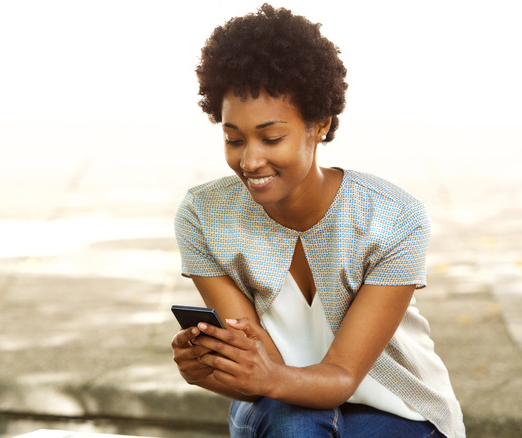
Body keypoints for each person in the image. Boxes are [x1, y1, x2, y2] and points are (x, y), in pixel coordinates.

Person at [171, 4, 465, 437]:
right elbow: (264, 370)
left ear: (320, 125)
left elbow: (343, 377)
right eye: (233, 139)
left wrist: (260, 374)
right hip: (277, 405)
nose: (250, 160)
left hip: (395, 410)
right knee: (292, 420)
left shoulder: (393, 218)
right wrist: (215, 367)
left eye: (272, 138)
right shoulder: (204, 215)